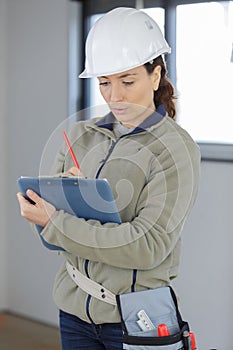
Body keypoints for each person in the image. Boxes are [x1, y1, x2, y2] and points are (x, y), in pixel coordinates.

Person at [17, 7, 200, 350]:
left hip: (136, 320)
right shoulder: (79, 137)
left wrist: (59, 220)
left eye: (127, 81)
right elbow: (49, 233)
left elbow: (148, 246)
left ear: (156, 75)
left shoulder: (175, 149)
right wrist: (46, 214)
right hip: (73, 313)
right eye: (104, 83)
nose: (114, 96)